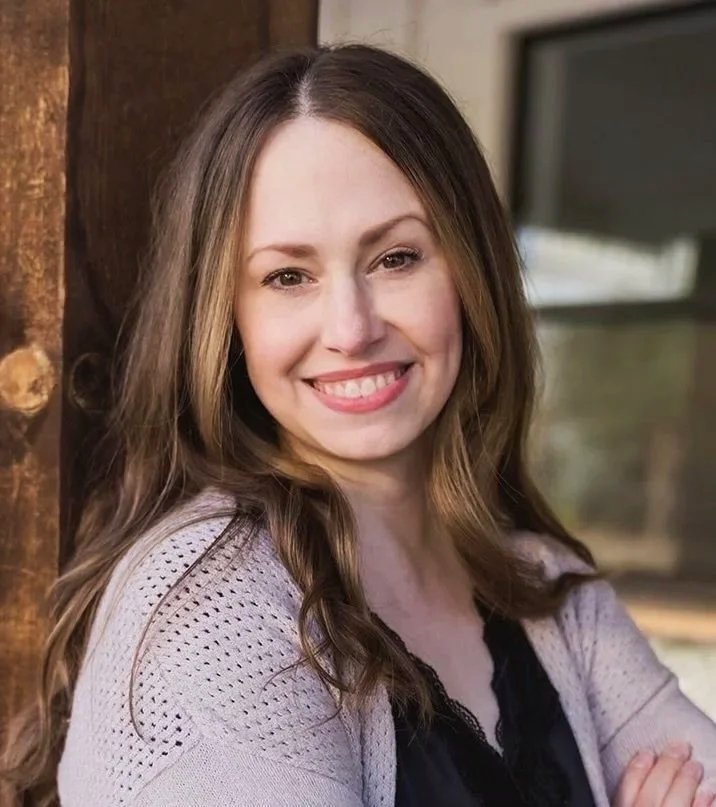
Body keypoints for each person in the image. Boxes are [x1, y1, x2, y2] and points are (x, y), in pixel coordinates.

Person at [1, 44, 715, 807]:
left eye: (396, 257)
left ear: (470, 271)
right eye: (287, 276)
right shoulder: (208, 604)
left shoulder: (547, 592)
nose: (351, 327)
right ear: (226, 318)